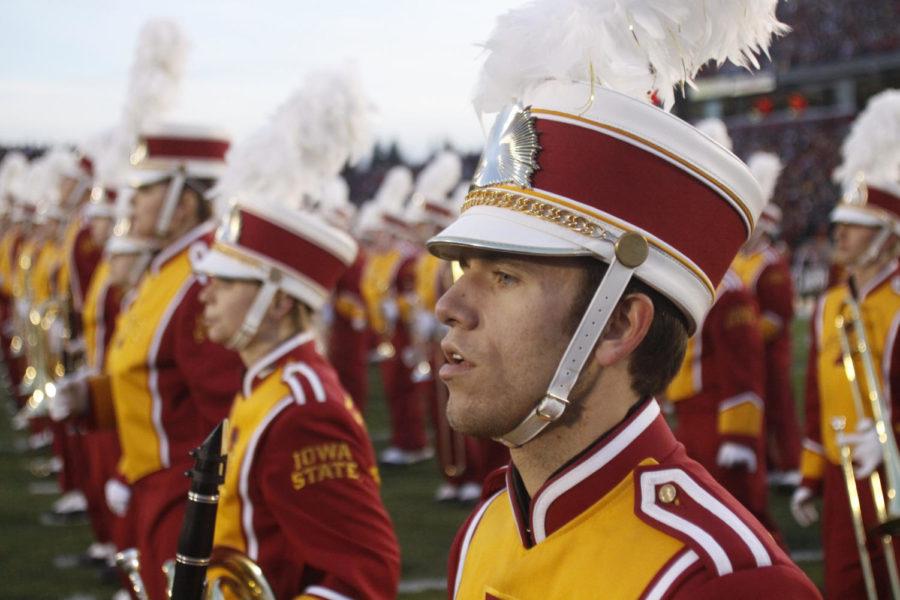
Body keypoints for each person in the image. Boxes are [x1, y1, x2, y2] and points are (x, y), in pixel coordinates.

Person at [431, 1, 819, 597]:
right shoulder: (484, 530)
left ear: (617, 326)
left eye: (505, 275)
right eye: (465, 265)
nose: (450, 304)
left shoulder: (721, 583)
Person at [194, 68, 400, 599]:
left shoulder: (304, 409)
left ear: (280, 299)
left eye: (226, 281)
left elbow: (364, 577)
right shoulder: (266, 385)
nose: (206, 295)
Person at [792, 89, 900, 598]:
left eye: (857, 228)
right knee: (846, 586)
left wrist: (890, 439)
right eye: (842, 225)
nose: (842, 235)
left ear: (888, 237)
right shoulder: (828, 304)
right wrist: (811, 475)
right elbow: (817, 399)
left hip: (894, 466)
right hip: (843, 474)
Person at [732, 152, 802, 485]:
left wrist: (745, 336)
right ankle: (767, 462)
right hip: (747, 349)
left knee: (778, 405)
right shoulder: (739, 262)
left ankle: (788, 464)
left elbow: (778, 314)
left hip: (768, 350)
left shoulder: (770, 263)